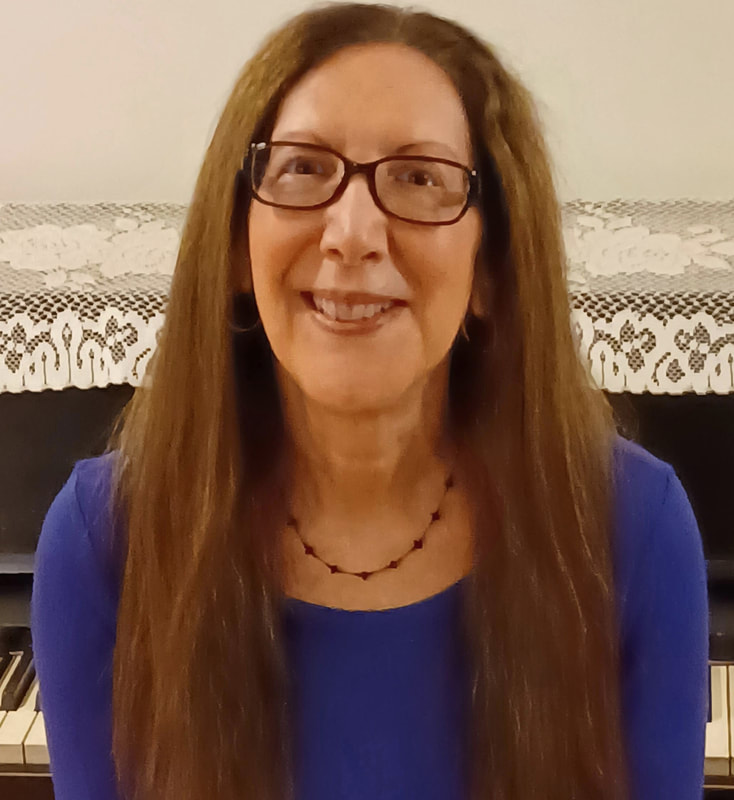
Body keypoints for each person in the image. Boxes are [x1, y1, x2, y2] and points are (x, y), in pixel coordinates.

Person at [30, 3, 709, 799]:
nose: (352, 232)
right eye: (303, 170)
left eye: (420, 179)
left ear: (489, 268)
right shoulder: (99, 543)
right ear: (238, 248)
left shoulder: (635, 528)